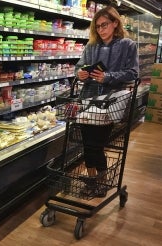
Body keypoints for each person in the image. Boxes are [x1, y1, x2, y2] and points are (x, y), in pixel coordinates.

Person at [75, 6, 139, 197]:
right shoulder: (91, 46)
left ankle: (99, 179)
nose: (101, 30)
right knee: (87, 143)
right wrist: (80, 73)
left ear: (115, 23)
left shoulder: (128, 45)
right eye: (97, 26)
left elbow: (133, 73)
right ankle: (94, 179)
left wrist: (108, 77)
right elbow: (79, 67)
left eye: (104, 25)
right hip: (87, 100)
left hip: (111, 102)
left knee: (97, 143)